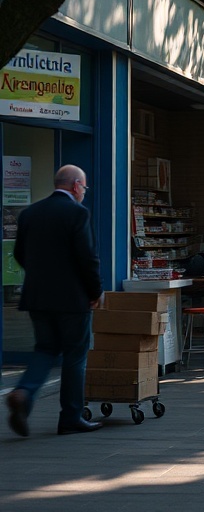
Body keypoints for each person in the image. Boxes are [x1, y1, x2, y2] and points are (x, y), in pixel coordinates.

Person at [6, 165, 104, 437]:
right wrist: (95, 292)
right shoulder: (77, 213)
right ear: (75, 186)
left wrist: (39, 278)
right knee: (75, 356)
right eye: (83, 188)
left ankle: (24, 392)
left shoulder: (30, 213)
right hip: (73, 300)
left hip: (37, 297)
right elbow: (88, 258)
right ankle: (70, 417)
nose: (83, 193)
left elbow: (19, 254)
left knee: (45, 349)